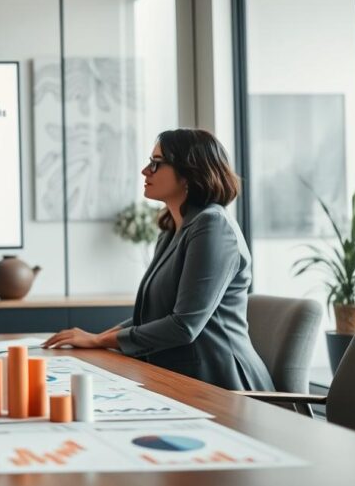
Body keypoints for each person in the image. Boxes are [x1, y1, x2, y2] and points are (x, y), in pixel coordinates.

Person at [43, 128, 274, 391]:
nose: (145, 171)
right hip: (180, 375)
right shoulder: (172, 229)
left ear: (189, 172)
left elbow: (184, 326)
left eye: (156, 163)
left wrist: (99, 341)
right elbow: (153, 317)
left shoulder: (213, 226)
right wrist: (98, 338)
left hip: (222, 383)